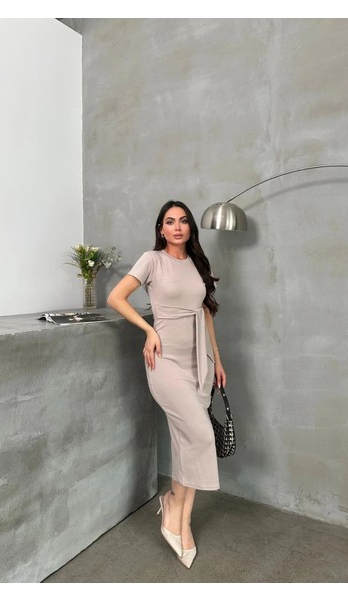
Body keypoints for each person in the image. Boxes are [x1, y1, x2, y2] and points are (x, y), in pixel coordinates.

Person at [107, 200, 226, 569]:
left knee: (187, 441)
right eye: (170, 221)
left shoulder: (198, 263)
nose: (177, 227)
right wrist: (148, 330)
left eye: (183, 221)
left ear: (190, 228)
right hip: (166, 360)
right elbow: (116, 298)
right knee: (200, 435)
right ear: (161, 228)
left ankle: (181, 517)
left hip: (199, 362)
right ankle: (173, 504)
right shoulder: (152, 260)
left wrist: (217, 359)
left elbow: (206, 312)